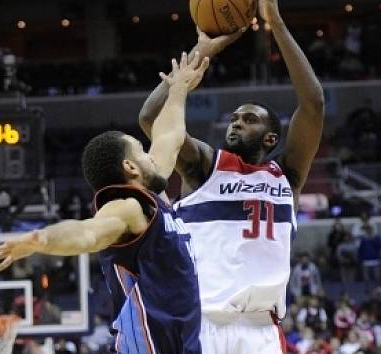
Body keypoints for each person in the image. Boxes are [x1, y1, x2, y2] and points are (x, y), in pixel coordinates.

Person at [0, 53, 210, 354]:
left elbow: (169, 135)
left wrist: (180, 88)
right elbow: (87, 233)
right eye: (141, 152)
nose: (151, 155)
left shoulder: (154, 197)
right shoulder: (127, 206)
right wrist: (40, 239)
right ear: (131, 168)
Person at [138, 1, 324, 352]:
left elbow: (313, 102)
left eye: (249, 119)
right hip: (204, 322)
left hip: (262, 329)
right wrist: (201, 51)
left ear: (271, 138)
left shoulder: (287, 176)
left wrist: (277, 25)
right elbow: (151, 119)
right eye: (235, 117)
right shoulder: (205, 166)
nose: (237, 122)